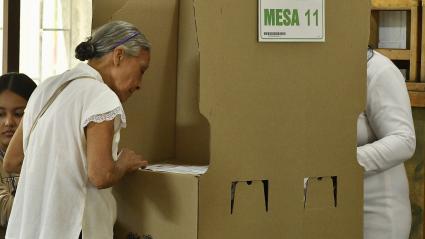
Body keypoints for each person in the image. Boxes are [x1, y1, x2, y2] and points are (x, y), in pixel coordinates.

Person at [3, 21, 150, 239]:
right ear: (118, 55)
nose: (139, 83)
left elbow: (12, 161)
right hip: (72, 230)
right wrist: (123, 163)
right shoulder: (102, 96)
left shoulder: (47, 88)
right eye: (141, 69)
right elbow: (100, 175)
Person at [357, 48, 416, 239]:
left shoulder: (378, 69)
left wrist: (343, 162)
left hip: (376, 215)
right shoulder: (318, 72)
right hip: (331, 204)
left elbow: (403, 140)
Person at [0, 73, 36, 238]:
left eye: (19, 113)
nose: (8, 122)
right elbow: (7, 212)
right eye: (0, 114)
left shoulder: (44, 154)